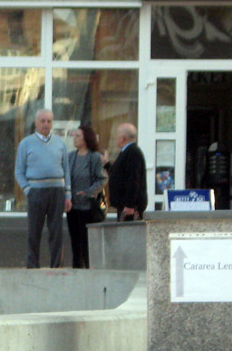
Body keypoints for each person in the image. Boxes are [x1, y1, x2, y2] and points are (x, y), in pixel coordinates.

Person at [14, 109, 72, 268]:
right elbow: (19, 171)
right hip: (36, 192)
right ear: (36, 123)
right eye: (43, 121)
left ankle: (56, 266)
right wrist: (28, 190)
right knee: (34, 232)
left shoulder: (60, 143)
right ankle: (32, 266)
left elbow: (66, 169)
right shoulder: (26, 144)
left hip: (57, 191)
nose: (46, 124)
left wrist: (68, 194)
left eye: (49, 121)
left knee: (56, 231)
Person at [66, 124, 107, 269]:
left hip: (87, 207)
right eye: (74, 136)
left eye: (78, 136)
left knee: (86, 243)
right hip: (72, 207)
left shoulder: (94, 157)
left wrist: (89, 192)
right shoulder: (71, 156)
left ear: (86, 138)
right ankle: (76, 270)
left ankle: (89, 270)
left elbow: (102, 178)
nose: (74, 139)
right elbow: (65, 177)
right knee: (75, 243)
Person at [106, 122, 147, 221]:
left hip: (129, 208)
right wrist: (107, 165)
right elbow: (119, 174)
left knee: (128, 234)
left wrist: (130, 205)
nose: (115, 139)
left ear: (123, 138)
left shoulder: (133, 152)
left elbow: (133, 180)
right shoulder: (126, 151)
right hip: (124, 205)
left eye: (116, 136)